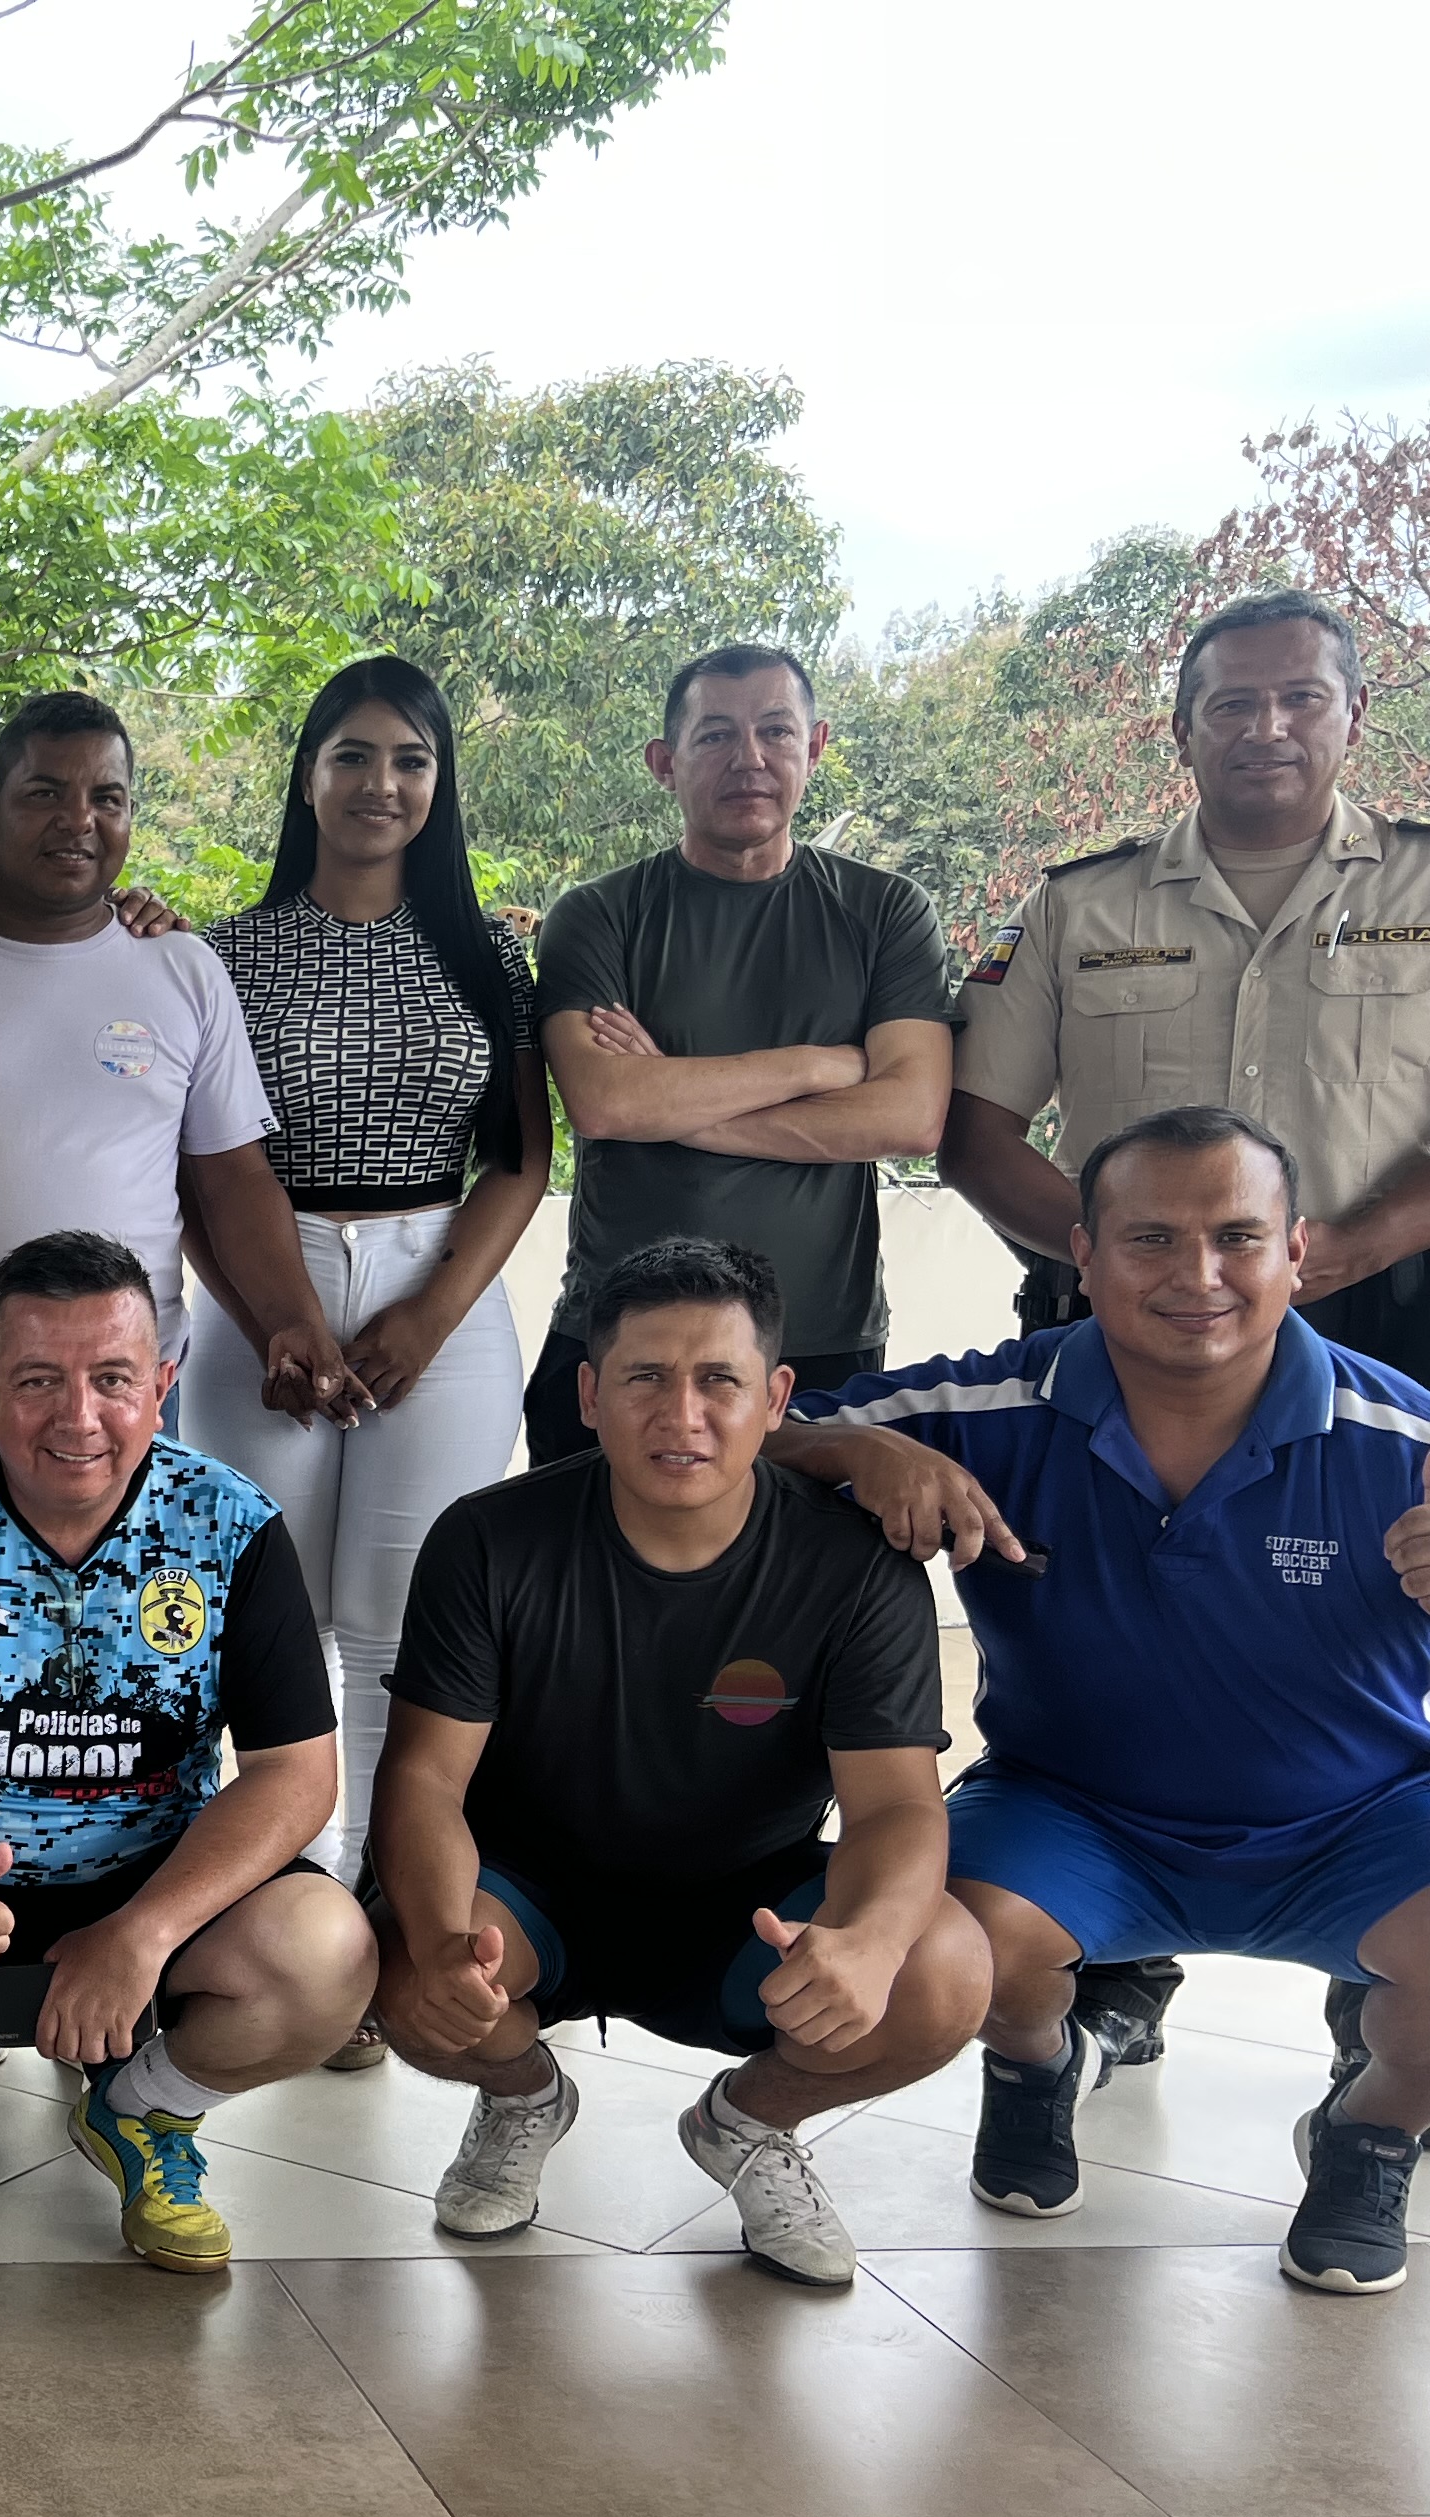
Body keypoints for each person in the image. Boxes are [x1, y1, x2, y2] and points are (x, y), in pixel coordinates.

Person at [773, 1108, 1430, 2294]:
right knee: (942, 1938)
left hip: (1358, 1826)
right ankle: (1036, 2064)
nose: (1198, 1275)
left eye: (1238, 1237)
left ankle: (1372, 2134)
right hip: (1074, 1815)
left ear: (1297, 1251)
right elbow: (740, 1433)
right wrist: (862, 1453)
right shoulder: (995, 1406)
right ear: (1082, 1254)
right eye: (1151, 1238)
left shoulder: (1405, 1433)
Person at [936, 590, 1430, 2080]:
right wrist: (1122, 1264)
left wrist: (1339, 1253)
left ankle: (1379, 1998)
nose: (1266, 726)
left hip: (1385, 1314)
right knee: (1124, 1629)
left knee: (1376, 1626)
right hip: (1120, 1337)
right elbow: (977, 1126)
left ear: (1354, 714)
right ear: (1182, 727)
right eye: (1232, 702)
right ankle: (1111, 1964)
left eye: (1300, 697)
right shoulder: (1080, 907)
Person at [373, 1237, 987, 2288]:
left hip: (749, 1908)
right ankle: (521, 2097)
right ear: (589, 1394)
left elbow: (895, 1808)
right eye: (646, 1378)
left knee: (944, 1968)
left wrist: (874, 1943)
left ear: (776, 1398)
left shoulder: (855, 1568)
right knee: (391, 1961)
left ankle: (747, 2124)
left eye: (719, 1381)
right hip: (529, 1899)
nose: (682, 1415)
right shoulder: (489, 1541)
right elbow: (424, 1780)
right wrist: (438, 1948)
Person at [0, 1229, 371, 2261]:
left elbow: (297, 1774)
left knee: (330, 1956)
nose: (78, 1417)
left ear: (163, 1385)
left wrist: (145, 1931)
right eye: (39, 1380)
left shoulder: (231, 1527)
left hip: (152, 1885)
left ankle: (143, 2108)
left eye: (114, 1379)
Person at [184, 657, 548, 1920]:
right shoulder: (221, 955)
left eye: (410, 760)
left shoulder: (489, 956)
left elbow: (522, 1159)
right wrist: (270, 1324)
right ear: (306, 776)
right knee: (265, 1617)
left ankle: (383, 1907)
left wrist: (428, 1318)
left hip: (437, 1281)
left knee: (404, 1625)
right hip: (260, 1292)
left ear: (440, 784)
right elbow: (202, 1172)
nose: (379, 783)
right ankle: (267, 1904)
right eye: (351, 755)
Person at [0, 691, 362, 1474]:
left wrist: (293, 1319)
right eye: (45, 794)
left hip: (132, 1407)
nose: (78, 820)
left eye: (107, 798)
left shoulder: (184, 970)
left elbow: (233, 1180)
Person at [526, 643, 954, 1466]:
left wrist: (672, 1105)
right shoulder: (598, 915)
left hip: (819, 1341)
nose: (749, 758)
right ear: (665, 762)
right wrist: (815, 1065)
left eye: (775, 732)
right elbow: (606, 1102)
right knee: (582, 1555)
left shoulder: (887, 912)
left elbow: (910, 1117)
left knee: (812, 1556)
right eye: (716, 735)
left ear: (815, 747)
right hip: (621, 1343)